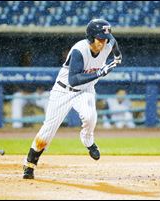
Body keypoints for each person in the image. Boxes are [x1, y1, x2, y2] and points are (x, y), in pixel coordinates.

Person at [23, 19, 122, 179]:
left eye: (105, 39)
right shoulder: (79, 50)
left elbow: (113, 41)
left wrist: (117, 55)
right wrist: (100, 73)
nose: (103, 43)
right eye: (100, 39)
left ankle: (87, 140)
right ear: (91, 37)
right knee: (47, 131)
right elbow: (74, 80)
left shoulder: (107, 43)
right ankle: (30, 164)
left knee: (90, 118)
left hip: (86, 90)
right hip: (63, 90)